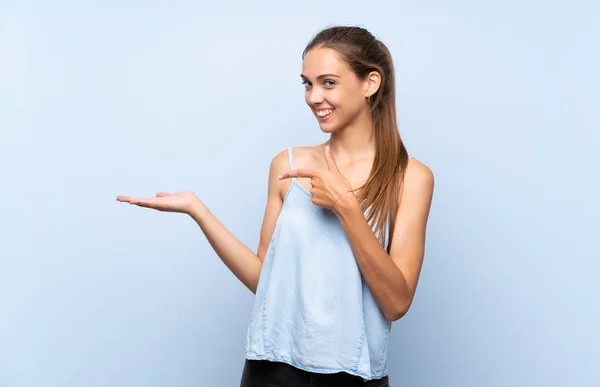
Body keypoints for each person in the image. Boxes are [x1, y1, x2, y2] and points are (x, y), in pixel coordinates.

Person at [117, 25, 434, 387]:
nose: (314, 97)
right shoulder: (287, 166)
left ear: (370, 83)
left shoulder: (410, 177)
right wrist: (198, 211)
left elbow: (396, 302)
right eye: (307, 83)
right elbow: (264, 280)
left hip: (355, 374)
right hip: (271, 370)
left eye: (328, 82)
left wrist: (346, 206)